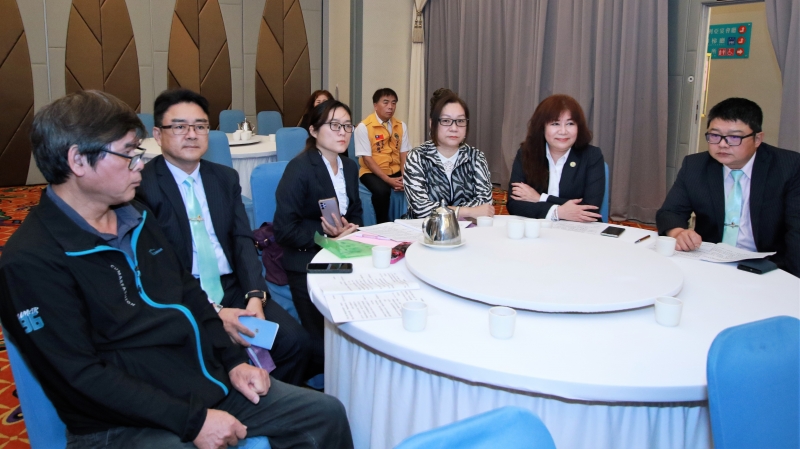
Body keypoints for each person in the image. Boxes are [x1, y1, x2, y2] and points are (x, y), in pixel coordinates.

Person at [0, 90, 353, 448]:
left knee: (325, 413)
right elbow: (79, 376)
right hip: (120, 419)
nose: (139, 165)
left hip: (196, 380)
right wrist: (193, 421)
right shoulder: (32, 260)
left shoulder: (136, 218)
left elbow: (187, 291)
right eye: (128, 154)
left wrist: (234, 362)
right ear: (78, 160)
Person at [135, 88, 318, 386]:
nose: (191, 134)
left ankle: (268, 404)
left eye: (200, 126)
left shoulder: (223, 178)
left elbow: (242, 241)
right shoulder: (142, 187)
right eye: (180, 127)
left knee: (296, 344)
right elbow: (155, 267)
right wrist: (214, 312)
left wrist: (255, 295)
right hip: (183, 294)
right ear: (158, 134)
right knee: (208, 362)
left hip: (232, 286)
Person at [656, 97, 799, 277]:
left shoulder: (789, 167)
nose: (722, 144)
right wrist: (678, 232)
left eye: (734, 137)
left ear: (757, 139)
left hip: (768, 266)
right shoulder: (695, 165)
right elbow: (670, 212)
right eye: (715, 136)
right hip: (709, 262)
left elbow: (797, 231)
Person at [273, 99, 362, 362]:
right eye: (334, 125)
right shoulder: (299, 169)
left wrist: (350, 229)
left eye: (347, 126)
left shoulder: (350, 167)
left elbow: (356, 212)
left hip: (343, 252)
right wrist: (325, 235)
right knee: (325, 342)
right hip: (307, 259)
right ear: (313, 130)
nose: (343, 132)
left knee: (363, 315)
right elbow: (284, 230)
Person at [506, 94, 605, 222]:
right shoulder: (527, 153)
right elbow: (514, 204)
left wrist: (540, 198)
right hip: (538, 228)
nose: (563, 131)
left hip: (578, 229)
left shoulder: (592, 156)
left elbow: (590, 210)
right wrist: (558, 212)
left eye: (570, 123)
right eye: (555, 123)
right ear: (542, 127)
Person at [403, 88, 494, 219]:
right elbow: (421, 209)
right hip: (425, 229)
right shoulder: (417, 157)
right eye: (446, 121)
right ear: (432, 123)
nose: (454, 128)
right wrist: (467, 212)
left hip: (467, 228)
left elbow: (485, 204)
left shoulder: (476, 157)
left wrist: (441, 209)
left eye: (460, 121)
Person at [354, 88, 412, 223]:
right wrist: (387, 180)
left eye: (393, 103)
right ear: (375, 105)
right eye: (386, 102)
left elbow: (404, 154)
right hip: (371, 171)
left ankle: (407, 222)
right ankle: (382, 224)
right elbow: (367, 159)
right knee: (382, 191)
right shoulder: (364, 127)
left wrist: (405, 176)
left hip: (395, 169)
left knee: (413, 184)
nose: (390, 107)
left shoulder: (401, 126)